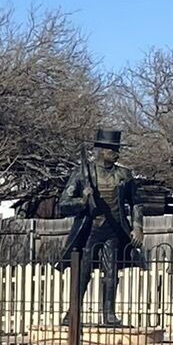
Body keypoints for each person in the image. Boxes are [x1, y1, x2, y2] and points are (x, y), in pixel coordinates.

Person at [56, 128, 139, 327]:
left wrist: (138, 226)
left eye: (117, 149)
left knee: (111, 273)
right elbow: (63, 204)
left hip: (115, 230)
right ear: (101, 150)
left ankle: (109, 315)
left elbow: (137, 203)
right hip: (90, 229)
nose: (117, 153)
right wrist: (83, 200)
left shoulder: (124, 175)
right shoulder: (83, 173)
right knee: (83, 272)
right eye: (112, 149)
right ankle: (72, 313)